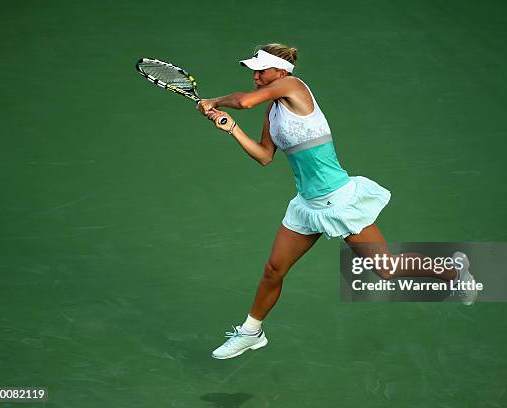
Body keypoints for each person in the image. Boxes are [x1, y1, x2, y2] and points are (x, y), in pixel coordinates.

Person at [197, 44, 477, 360]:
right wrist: (231, 128)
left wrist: (215, 101)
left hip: (338, 201)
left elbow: (243, 101)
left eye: (262, 70)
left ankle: (453, 271)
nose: (256, 76)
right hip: (306, 206)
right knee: (273, 269)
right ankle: (251, 332)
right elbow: (264, 156)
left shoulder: (293, 86)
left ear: (281, 72)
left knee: (386, 269)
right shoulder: (272, 110)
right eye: (254, 71)